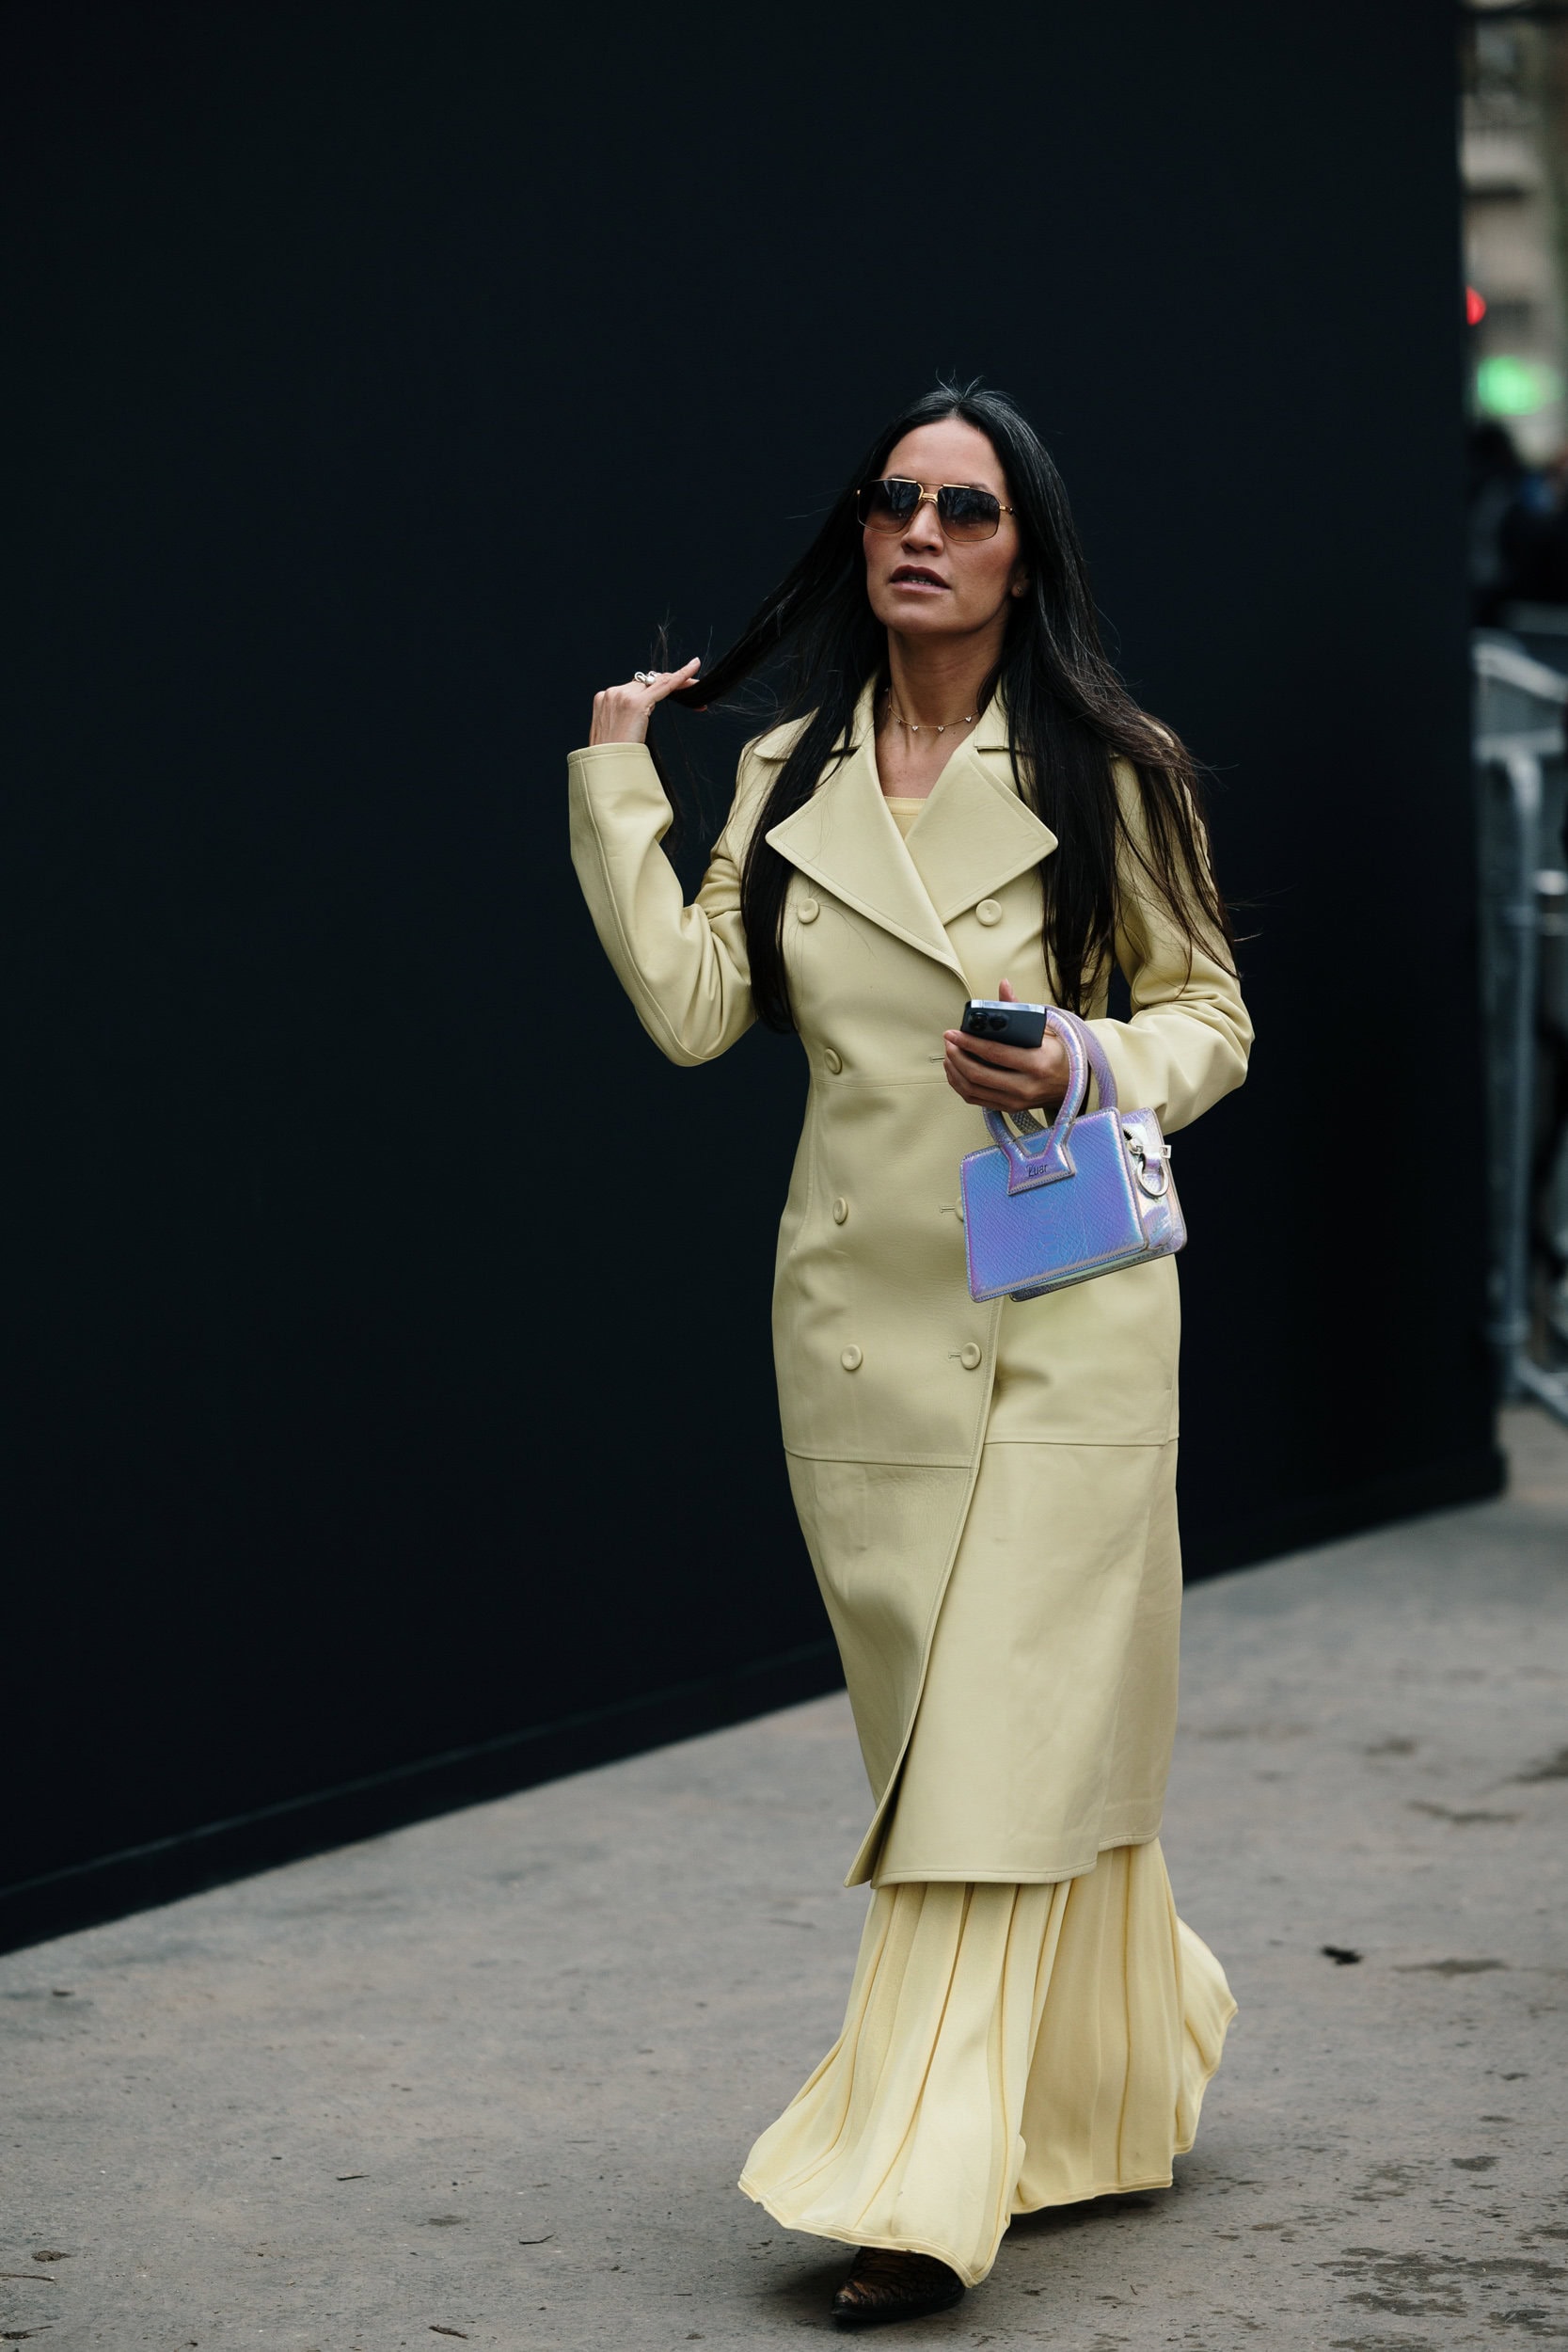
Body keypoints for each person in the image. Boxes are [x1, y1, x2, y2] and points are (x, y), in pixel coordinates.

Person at [568, 382, 1252, 2328]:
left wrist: (1086, 1055)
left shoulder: (1116, 764)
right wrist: (624, 777)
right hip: (860, 1343)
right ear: (859, 533)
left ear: (1023, 547)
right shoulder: (783, 768)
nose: (919, 528)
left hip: (1067, 1328)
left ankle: (908, 2183)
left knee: (972, 1778)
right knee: (987, 1755)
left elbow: (1209, 1012)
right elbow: (703, 1011)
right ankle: (1131, 2056)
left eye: (964, 503)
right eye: (892, 498)